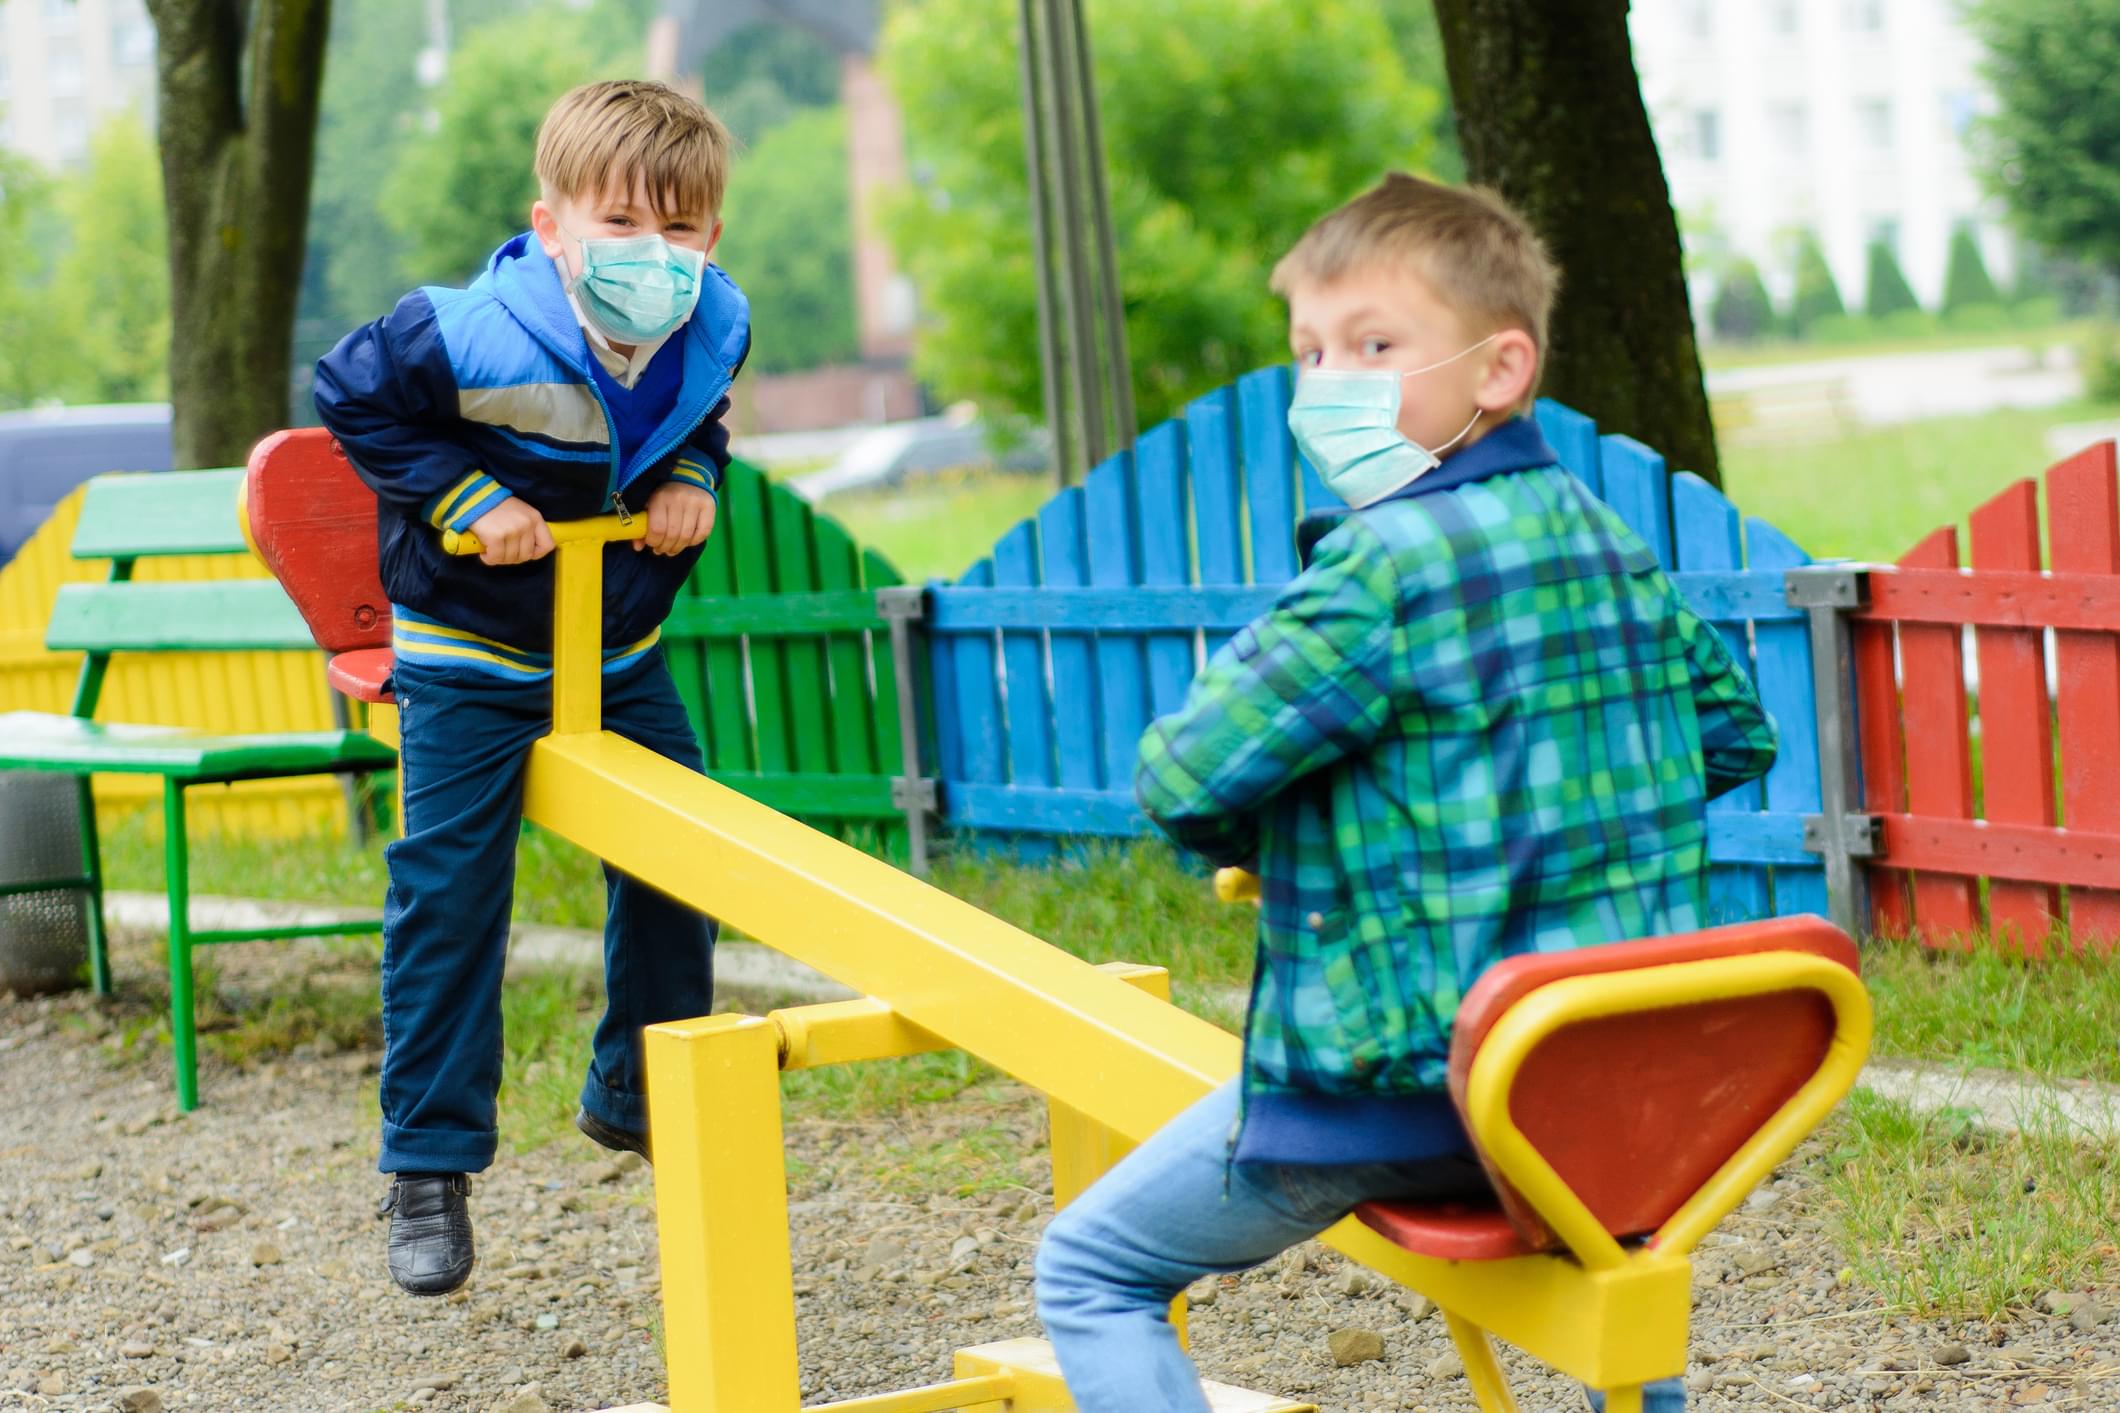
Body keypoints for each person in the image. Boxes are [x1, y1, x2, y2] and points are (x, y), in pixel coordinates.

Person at [1032, 173, 1779, 1411]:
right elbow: (1730, 735)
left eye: (1373, 345)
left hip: (1415, 1092)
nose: (1329, 384)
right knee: (1616, 1288)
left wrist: (1285, 824)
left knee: (1090, 1268)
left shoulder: (1379, 567)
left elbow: (1178, 776)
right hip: (1608, 1087)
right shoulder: (1608, 542)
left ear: (1497, 370)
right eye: (1309, 353)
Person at [312, 79, 749, 1296]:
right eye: (619, 225)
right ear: (550, 223)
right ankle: (427, 1165)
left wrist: (695, 481)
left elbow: (700, 422)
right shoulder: (459, 331)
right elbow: (349, 399)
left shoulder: (716, 322)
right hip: (471, 654)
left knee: (682, 853)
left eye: (681, 231)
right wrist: (468, 501)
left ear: (711, 235)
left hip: (611, 656)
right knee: (450, 892)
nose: (652, 256)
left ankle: (638, 1087)